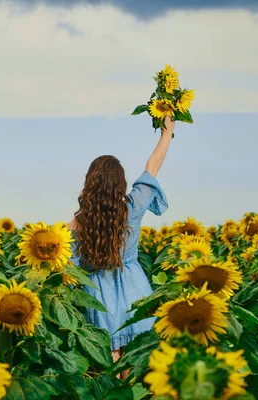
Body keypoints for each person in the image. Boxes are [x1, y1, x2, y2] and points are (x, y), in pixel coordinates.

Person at [68, 117, 174, 379]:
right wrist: (167, 133)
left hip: (99, 300)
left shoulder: (78, 222)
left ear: (90, 182)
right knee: (135, 371)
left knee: (106, 374)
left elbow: (66, 266)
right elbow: (151, 169)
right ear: (120, 183)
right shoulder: (131, 209)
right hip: (134, 293)